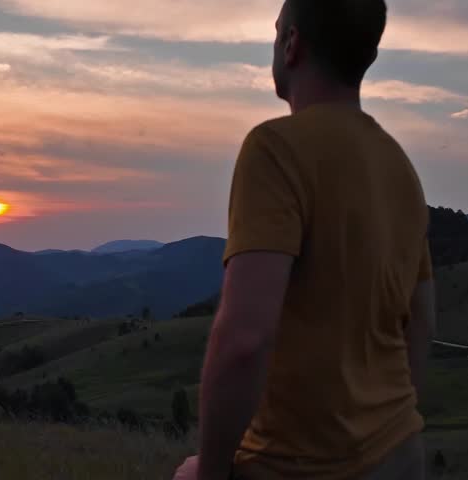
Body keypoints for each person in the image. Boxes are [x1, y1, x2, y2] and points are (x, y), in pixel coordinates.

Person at [173, 0, 436, 479]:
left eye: (277, 33)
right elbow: (419, 322)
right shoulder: (399, 166)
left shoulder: (275, 149)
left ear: (291, 44)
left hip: (301, 466)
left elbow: (245, 340)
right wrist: (381, 430)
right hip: (401, 452)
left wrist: (209, 471)